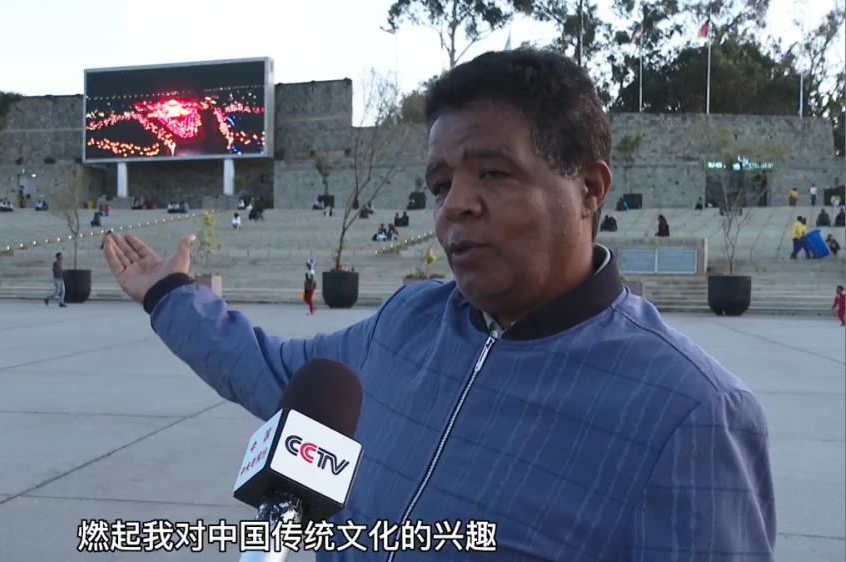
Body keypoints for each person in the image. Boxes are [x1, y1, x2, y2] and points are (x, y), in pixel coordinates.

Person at [105, 49, 774, 561]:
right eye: (440, 183)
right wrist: (169, 296)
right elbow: (276, 373)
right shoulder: (408, 322)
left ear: (589, 191)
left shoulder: (691, 413)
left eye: (493, 173)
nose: (455, 204)